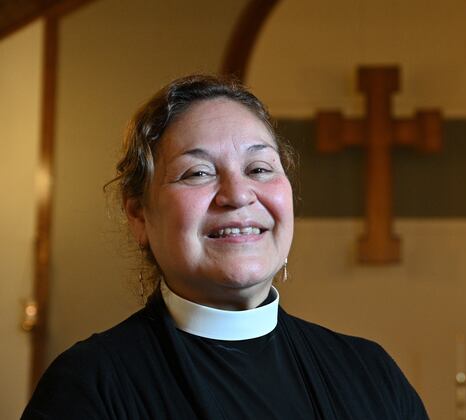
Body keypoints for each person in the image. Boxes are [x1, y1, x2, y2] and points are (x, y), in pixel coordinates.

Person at [22, 74, 428, 419]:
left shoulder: (370, 375)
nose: (237, 195)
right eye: (197, 172)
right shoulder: (89, 388)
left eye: (259, 169)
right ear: (139, 215)